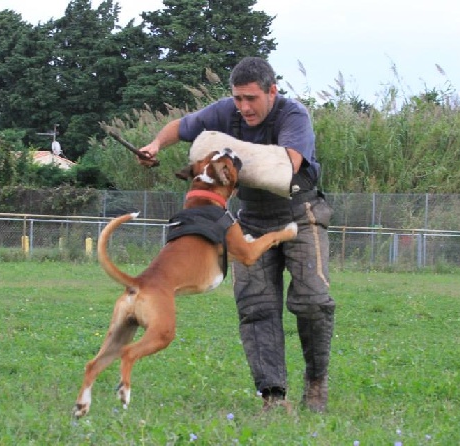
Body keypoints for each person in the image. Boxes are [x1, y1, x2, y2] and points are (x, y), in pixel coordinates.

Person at [139, 56, 335, 413]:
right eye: (238, 99)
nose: (243, 107)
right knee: (256, 307)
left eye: (252, 99)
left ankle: (316, 382)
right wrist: (155, 146)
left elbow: (284, 166)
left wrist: (226, 152)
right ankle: (273, 396)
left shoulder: (293, 117)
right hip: (251, 218)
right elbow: (180, 126)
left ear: (272, 92)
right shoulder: (224, 111)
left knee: (313, 301)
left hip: (300, 214)